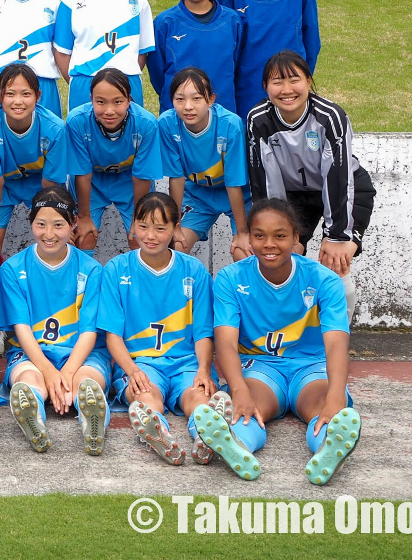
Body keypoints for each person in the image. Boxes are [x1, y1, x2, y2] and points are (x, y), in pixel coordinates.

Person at [192, 198, 361, 486]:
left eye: (280, 236)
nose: (269, 244)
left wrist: (336, 397)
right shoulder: (230, 278)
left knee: (324, 409)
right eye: (259, 235)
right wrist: (238, 388)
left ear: (296, 238)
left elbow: (335, 344)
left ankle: (329, 447)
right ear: (249, 237)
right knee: (247, 409)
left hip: (311, 365)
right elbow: (226, 343)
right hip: (260, 366)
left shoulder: (324, 280)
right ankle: (235, 444)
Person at [245, 51, 374, 314]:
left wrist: (336, 235)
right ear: (265, 87)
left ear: (309, 81)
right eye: (277, 82)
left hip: (347, 189)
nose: (287, 90)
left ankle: (337, 337)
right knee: (283, 256)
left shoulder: (330, 116)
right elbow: (265, 183)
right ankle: (287, 331)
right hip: (293, 196)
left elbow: (337, 176)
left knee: (335, 261)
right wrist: (278, 230)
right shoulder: (258, 120)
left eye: (294, 80)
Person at [97, 192, 217, 467]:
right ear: (133, 227)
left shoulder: (194, 270)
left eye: (160, 228)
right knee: (146, 395)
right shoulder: (117, 269)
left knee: (198, 396)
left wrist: (203, 369)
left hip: (185, 362)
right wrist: (131, 370)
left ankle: (204, 435)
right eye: (143, 226)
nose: (150, 235)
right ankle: (158, 433)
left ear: (176, 229)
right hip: (140, 363)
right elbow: (112, 335)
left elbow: (202, 333)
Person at [0, 187, 111, 456]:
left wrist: (68, 372)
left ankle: (93, 423)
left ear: (73, 224)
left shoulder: (92, 269)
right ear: (30, 224)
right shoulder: (13, 269)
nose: (49, 234)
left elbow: (88, 333)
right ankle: (32, 414)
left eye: (58, 225)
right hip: (31, 354)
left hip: (81, 355)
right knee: (28, 379)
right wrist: (50, 372)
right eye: (41, 224)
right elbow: (22, 329)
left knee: (88, 382)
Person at [0, 62, 68, 263]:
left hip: (40, 184)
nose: (18, 101)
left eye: (26, 94)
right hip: (2, 186)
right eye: (10, 94)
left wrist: (47, 221)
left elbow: (50, 184)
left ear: (38, 96)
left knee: (59, 237)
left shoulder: (55, 128)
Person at [220, 0, 321, 118]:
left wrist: (299, 80)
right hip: (247, 87)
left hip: (288, 89)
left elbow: (312, 41)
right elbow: (225, 49)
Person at [63, 68, 164, 251]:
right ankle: (85, 279)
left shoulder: (146, 123)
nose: (109, 111)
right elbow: (82, 173)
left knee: (140, 237)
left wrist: (137, 219)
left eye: (118, 102)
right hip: (92, 183)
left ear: (128, 101)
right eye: (100, 102)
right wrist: (84, 217)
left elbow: (142, 175)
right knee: (84, 237)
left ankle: (138, 279)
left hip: (129, 182)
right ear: (91, 99)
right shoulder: (77, 121)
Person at [53, 0, 154, 111]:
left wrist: (123, 75)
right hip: (85, 83)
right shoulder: (71, 0)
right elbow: (61, 52)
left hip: (127, 82)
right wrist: (79, 81)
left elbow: (142, 52)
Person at [158, 67, 251, 257]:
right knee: (173, 249)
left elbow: (234, 184)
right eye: (180, 99)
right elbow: (176, 178)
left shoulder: (230, 125)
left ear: (211, 99)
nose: (188, 106)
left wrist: (242, 233)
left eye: (196, 98)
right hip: (198, 196)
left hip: (238, 195)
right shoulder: (167, 124)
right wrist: (175, 225)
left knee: (243, 253)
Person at [147, 0, 245, 116]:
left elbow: (237, 65)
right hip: (178, 115)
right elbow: (157, 74)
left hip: (222, 114)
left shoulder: (231, 20)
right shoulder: (165, 22)